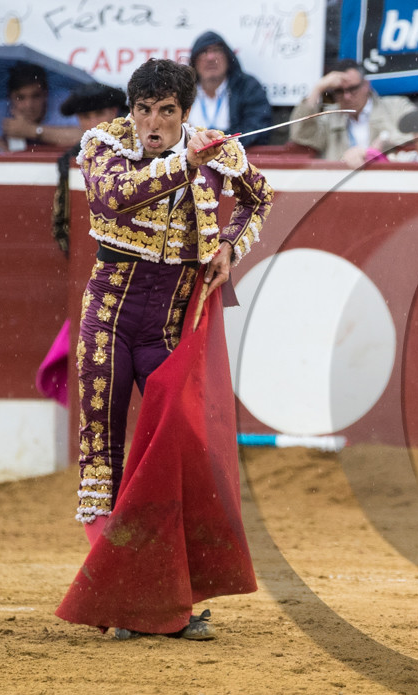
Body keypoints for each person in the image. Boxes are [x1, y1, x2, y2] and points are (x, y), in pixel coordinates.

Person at [56, 58, 273, 641]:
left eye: (166, 112)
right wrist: (188, 163)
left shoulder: (214, 151)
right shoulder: (103, 145)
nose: (151, 123)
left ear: (185, 112)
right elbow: (115, 198)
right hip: (109, 318)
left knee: (171, 455)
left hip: (171, 326)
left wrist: (229, 248)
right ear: (131, 110)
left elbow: (259, 199)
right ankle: (116, 599)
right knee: (102, 453)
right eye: (143, 110)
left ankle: (162, 597)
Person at [52, 82, 129, 254]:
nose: (94, 123)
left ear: (114, 112)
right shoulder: (70, 160)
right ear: (78, 119)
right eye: (86, 116)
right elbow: (61, 224)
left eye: (99, 114)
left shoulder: (137, 147)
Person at [289, 59, 414, 160]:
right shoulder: (329, 117)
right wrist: (318, 88)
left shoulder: (396, 106)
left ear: (366, 85)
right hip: (342, 181)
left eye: (352, 89)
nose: (346, 96)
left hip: (386, 179)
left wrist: (387, 140)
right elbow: (301, 134)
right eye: (339, 91)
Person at [187, 31, 273, 145]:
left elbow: (257, 129)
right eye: (203, 52)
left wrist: (215, 141)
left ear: (228, 57)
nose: (210, 57)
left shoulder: (247, 87)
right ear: (194, 60)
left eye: (216, 50)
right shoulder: (183, 90)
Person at [2, 62, 82, 150]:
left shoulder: (64, 103)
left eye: (36, 96)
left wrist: (31, 130)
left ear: (46, 94)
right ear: (9, 98)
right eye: (20, 98)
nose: (29, 105)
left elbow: (85, 137)